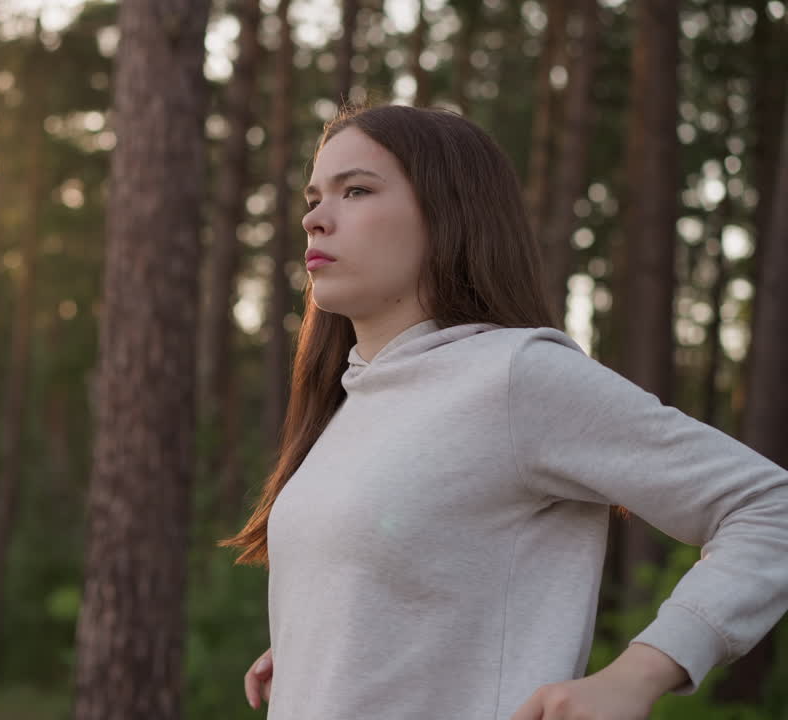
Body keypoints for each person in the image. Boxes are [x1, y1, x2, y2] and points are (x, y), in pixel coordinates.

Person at [217, 103, 788, 719]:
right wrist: (336, 643)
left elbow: (769, 508)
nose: (314, 218)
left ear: (449, 214)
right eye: (313, 196)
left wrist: (641, 672)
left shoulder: (518, 375)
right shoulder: (354, 398)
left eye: (355, 190)